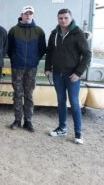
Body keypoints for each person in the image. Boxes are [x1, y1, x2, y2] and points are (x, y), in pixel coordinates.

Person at [45, 9, 91, 144]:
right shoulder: (54, 34)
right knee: (60, 102)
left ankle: (78, 133)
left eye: (65, 18)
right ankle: (62, 128)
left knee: (75, 103)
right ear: (57, 19)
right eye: (60, 18)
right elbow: (50, 52)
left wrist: (78, 73)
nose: (63, 20)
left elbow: (87, 54)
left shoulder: (78, 34)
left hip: (72, 76)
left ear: (71, 18)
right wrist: (48, 68)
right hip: (58, 75)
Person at [7, 6, 46, 132]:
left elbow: (42, 49)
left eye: (30, 13)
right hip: (17, 67)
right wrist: (14, 59)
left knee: (28, 95)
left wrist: (34, 60)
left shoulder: (39, 31)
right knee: (17, 94)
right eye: (26, 13)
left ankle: (28, 121)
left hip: (31, 68)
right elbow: (9, 49)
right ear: (21, 15)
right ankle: (17, 119)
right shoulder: (13, 30)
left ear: (33, 15)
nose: (28, 15)